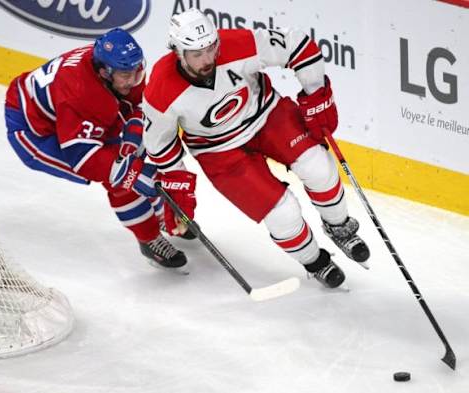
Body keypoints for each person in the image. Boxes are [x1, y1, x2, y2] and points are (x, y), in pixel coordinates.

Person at [142, 8, 370, 288]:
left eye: (211, 48)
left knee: (319, 167)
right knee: (283, 214)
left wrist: (316, 94)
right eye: (196, 54)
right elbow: (160, 144)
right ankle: (316, 261)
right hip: (218, 150)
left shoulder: (237, 44)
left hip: (267, 115)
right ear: (178, 52)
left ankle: (340, 227)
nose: (207, 59)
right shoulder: (160, 89)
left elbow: (297, 44)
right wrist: (176, 186)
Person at [4, 27, 190, 273]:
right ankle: (149, 239)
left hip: (78, 113)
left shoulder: (124, 70)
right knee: (120, 178)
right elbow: (83, 158)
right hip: (36, 131)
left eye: (137, 70)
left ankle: (164, 218)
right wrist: (130, 172)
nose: (135, 78)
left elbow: (138, 104)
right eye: (126, 74)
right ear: (104, 72)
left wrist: (133, 139)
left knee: (140, 156)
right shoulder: (81, 92)